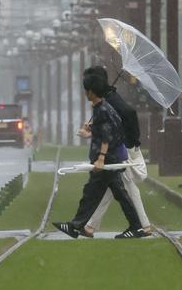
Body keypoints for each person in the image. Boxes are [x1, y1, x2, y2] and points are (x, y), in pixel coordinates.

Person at [52, 74, 147, 239]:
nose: (85, 93)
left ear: (91, 92)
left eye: (86, 90)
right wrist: (91, 129)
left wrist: (101, 157)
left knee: (94, 192)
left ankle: (77, 226)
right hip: (111, 158)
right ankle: (135, 226)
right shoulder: (104, 108)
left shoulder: (102, 109)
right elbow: (110, 129)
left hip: (107, 159)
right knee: (114, 193)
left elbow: (107, 136)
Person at [78, 65, 153, 237]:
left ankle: (142, 225)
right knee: (117, 186)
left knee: (123, 184)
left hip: (123, 149)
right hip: (121, 148)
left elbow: (128, 113)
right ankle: (90, 226)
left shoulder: (109, 99)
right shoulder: (106, 98)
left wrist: (130, 141)